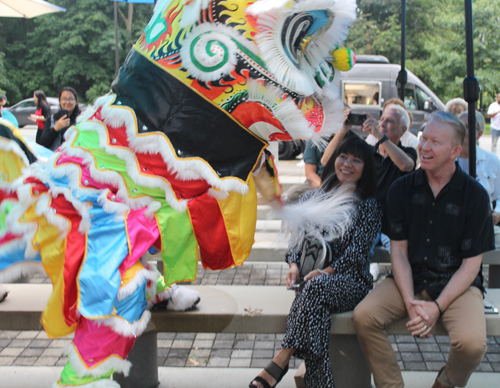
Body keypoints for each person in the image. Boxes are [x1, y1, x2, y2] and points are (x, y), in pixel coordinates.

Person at [353, 111, 495, 388]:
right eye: (423, 139)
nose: (424, 147)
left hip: (457, 285)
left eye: (435, 142)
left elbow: (471, 265)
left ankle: (444, 382)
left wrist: (437, 308)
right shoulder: (402, 189)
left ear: (455, 150)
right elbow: (399, 254)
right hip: (410, 278)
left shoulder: (475, 196)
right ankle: (391, 385)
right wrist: (410, 303)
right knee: (364, 316)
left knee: (472, 345)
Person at [250, 136, 382, 388]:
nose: (347, 164)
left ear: (366, 168)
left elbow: (356, 255)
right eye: (343, 157)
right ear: (334, 160)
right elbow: (297, 239)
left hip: (351, 283)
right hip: (312, 283)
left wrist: (325, 272)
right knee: (315, 315)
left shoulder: (368, 206)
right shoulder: (317, 196)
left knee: (313, 290)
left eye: (356, 160)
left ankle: (281, 358)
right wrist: (294, 265)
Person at [322, 104, 417, 280]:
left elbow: (406, 165)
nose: (382, 124)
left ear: (403, 130)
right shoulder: (368, 153)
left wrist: (379, 136)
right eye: (382, 120)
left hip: (394, 223)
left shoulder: (407, 152)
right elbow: (326, 160)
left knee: (405, 259)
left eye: (390, 121)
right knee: (351, 252)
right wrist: (343, 129)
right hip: (365, 219)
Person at [284, 105, 352, 203]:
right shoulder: (318, 138)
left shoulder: (354, 140)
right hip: (321, 180)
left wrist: (342, 131)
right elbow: (310, 172)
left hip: (344, 183)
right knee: (293, 194)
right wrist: (321, 186)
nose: (341, 121)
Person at [458, 110, 500, 225]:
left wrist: (497, 213)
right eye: (459, 126)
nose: (462, 131)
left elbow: (499, 195)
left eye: (467, 127)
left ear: (479, 134)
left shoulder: (491, 160)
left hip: (481, 224)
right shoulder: (446, 159)